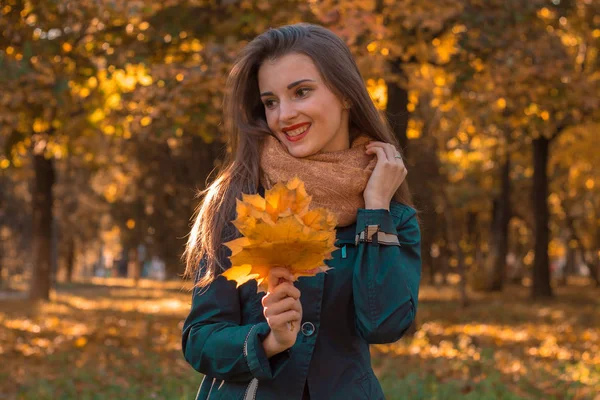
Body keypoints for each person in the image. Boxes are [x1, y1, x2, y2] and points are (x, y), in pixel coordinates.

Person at [181, 23, 421, 400]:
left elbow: (385, 325)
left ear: (345, 94)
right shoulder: (237, 199)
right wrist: (268, 341)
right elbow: (200, 338)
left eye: (301, 92)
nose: (284, 115)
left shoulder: (390, 211)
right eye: (271, 101)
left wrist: (374, 211)